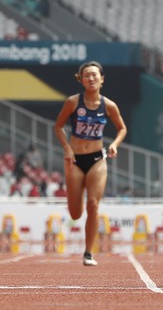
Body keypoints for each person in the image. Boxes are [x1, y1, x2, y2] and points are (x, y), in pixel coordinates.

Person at [54, 61, 127, 266]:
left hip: (97, 159)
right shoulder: (73, 102)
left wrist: (114, 144)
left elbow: (122, 128)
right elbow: (58, 126)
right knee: (76, 213)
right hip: (75, 160)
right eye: (87, 75)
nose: (91, 78)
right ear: (82, 79)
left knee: (93, 205)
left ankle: (88, 253)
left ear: (102, 79)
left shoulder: (109, 105)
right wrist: (67, 148)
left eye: (95, 75)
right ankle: (73, 198)